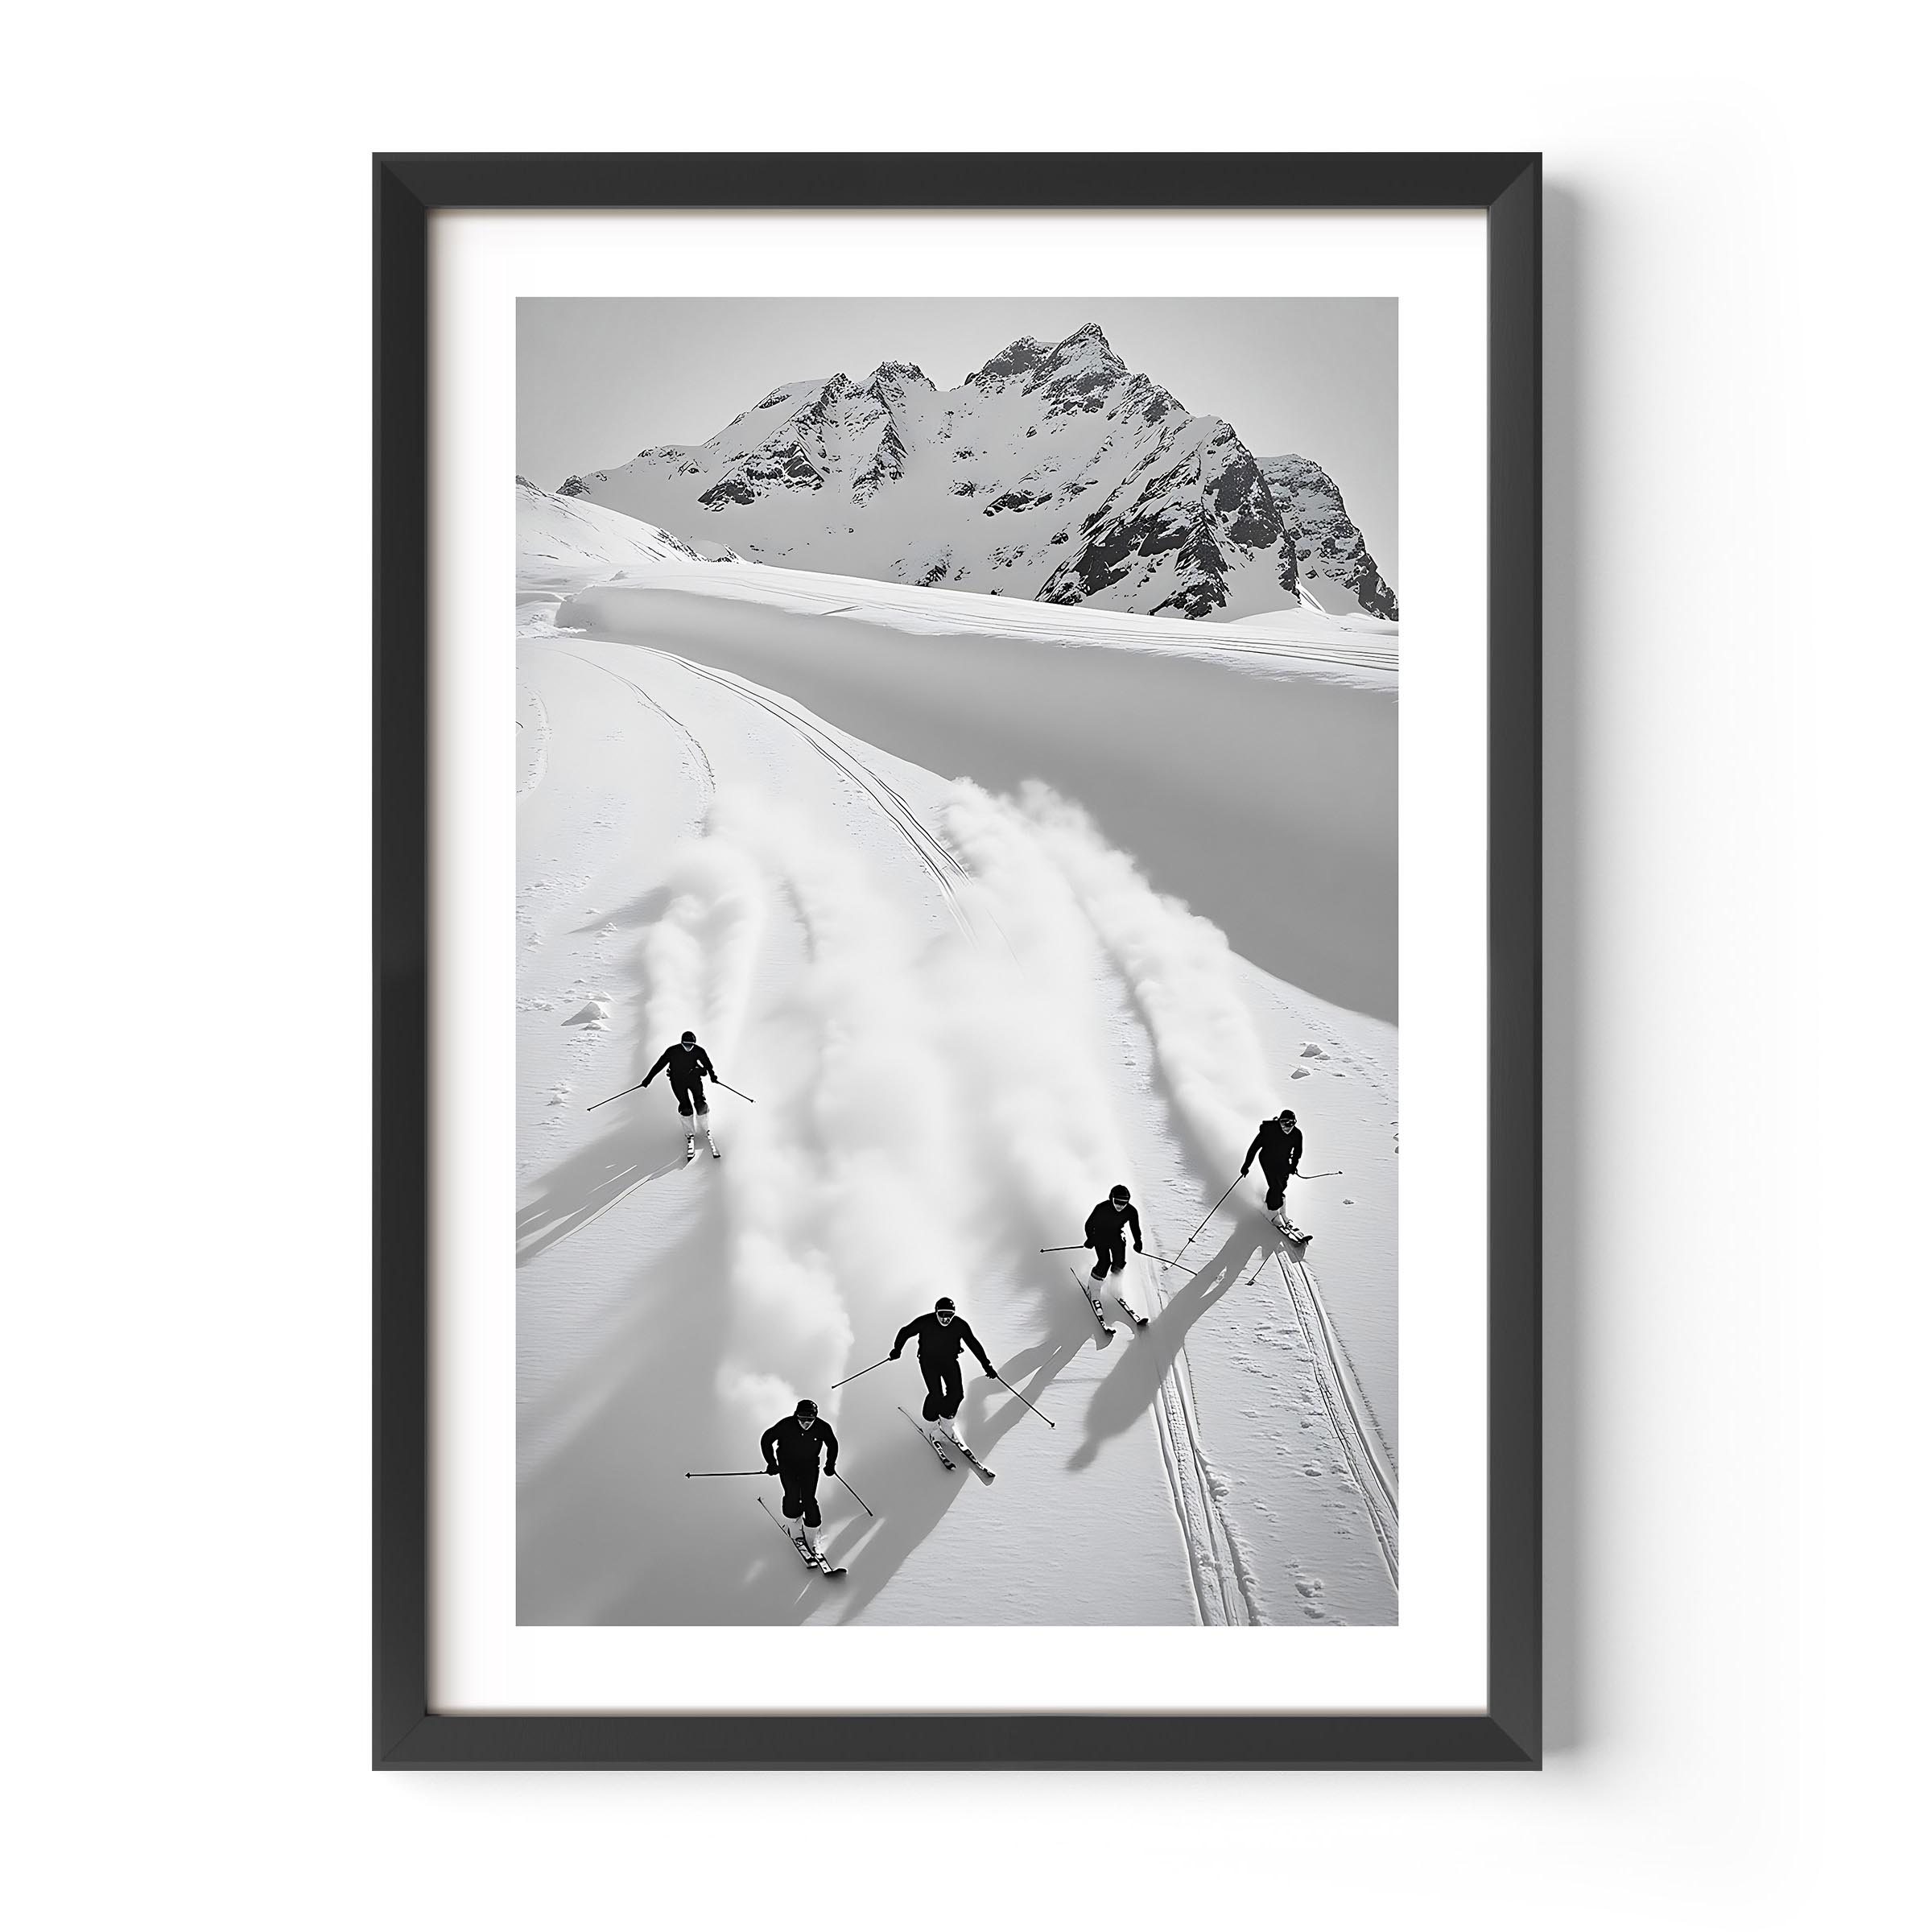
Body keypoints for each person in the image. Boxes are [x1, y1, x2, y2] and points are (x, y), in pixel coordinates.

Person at [890, 1296, 997, 1443]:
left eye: (950, 1315)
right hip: (929, 1362)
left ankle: (946, 1423)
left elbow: (974, 1344)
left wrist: (987, 1366)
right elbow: (905, 1332)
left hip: (949, 1362)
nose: (946, 1319)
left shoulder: (960, 1325)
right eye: (942, 1314)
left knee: (957, 1394)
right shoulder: (925, 1322)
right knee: (936, 1395)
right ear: (936, 1312)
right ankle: (930, 1423)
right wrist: (897, 1349)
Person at [760, 1398, 838, 1554]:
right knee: (792, 1496)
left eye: (810, 1420)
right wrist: (772, 1463)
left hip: (809, 1467)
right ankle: (795, 1526)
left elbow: (832, 1444)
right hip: (787, 1467)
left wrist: (830, 1464)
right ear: (796, 1415)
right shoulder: (786, 1425)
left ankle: (813, 1536)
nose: (806, 1423)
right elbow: (766, 1440)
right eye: (802, 1419)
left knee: (809, 1500)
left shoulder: (822, 1427)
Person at [642, 1030, 719, 1156]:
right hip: (678, 1082)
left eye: (691, 1045)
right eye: (686, 1044)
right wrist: (648, 1079)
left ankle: (705, 1129)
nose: (688, 1047)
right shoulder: (673, 1051)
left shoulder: (699, 1051)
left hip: (694, 1080)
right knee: (686, 1107)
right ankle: (690, 1134)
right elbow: (659, 1065)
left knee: (700, 1104)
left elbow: (707, 1065)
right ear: (682, 1042)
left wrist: (713, 1076)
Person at [1242, 1109, 1305, 1234]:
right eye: (1283, 1122)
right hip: (1267, 1159)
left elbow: (1297, 1153)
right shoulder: (1269, 1131)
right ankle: (1273, 1212)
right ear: (1279, 1122)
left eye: (1290, 1123)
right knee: (1275, 1185)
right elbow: (1254, 1148)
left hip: (1283, 1160)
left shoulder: (1297, 1134)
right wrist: (1246, 1166)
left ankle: (1281, 1212)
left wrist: (1293, 1166)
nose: (1287, 1127)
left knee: (1282, 1185)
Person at [1084, 1183, 1143, 1283]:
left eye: (1124, 1203)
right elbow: (1089, 1224)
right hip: (1100, 1236)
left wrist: (1138, 1241)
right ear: (1112, 1198)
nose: (1121, 1206)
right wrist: (1091, 1238)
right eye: (1118, 1202)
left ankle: (1115, 1288)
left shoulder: (1131, 1211)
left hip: (1116, 1236)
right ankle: (1093, 1288)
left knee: (1119, 1264)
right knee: (1104, 1263)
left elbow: (1135, 1228)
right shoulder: (1102, 1208)